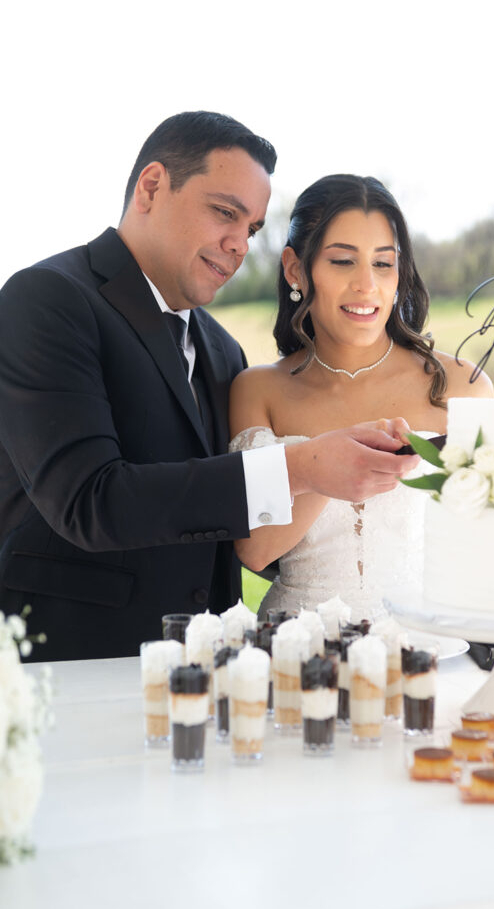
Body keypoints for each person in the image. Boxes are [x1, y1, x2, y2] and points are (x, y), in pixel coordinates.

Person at [0, 114, 419, 661]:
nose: (239, 244)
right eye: (225, 212)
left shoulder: (223, 351)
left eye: (250, 229)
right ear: (152, 187)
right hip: (74, 659)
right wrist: (306, 467)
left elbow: (233, 533)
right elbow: (89, 502)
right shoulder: (47, 299)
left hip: (211, 671)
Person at [228, 174, 494, 621]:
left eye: (384, 264)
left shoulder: (462, 386)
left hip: (425, 646)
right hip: (295, 649)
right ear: (296, 269)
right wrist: (325, 467)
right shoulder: (258, 390)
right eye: (342, 262)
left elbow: (493, 542)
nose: (367, 285)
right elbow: (255, 550)